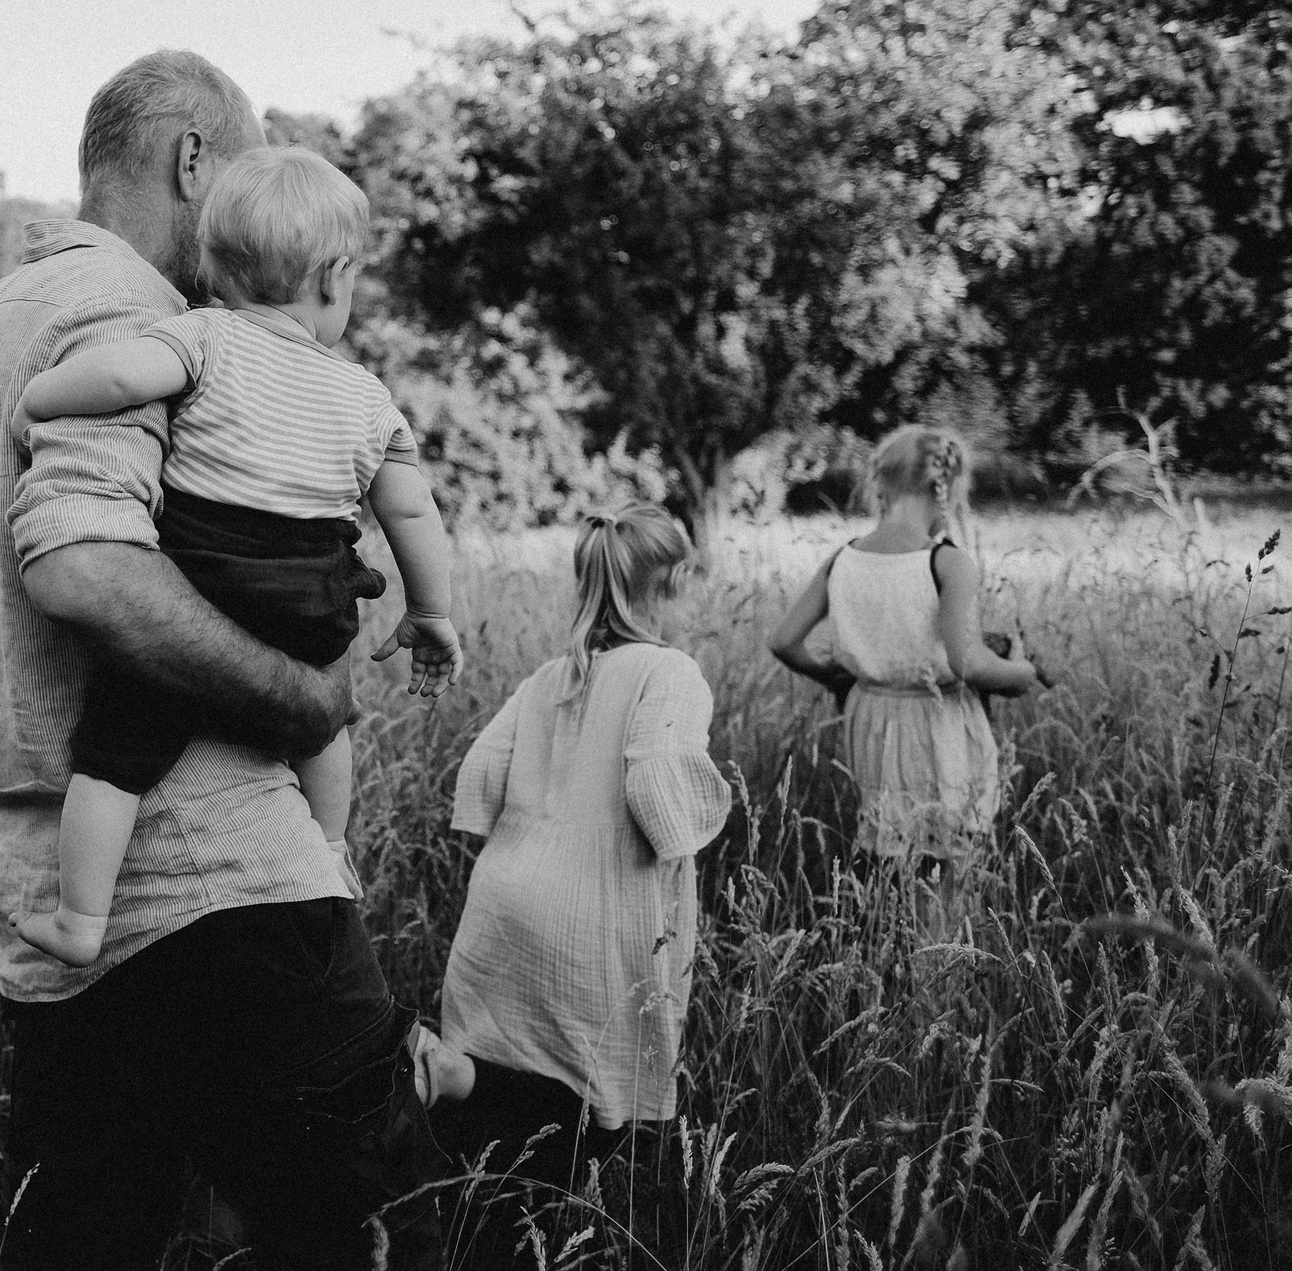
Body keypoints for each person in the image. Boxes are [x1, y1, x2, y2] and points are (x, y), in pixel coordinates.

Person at [0, 49, 444, 1270]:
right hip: (220, 883)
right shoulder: (139, 317)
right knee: (367, 1235)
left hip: (57, 899)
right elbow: (80, 565)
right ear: (193, 160)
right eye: (245, 173)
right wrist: (303, 695)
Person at [6, 143, 462, 967]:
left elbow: (118, 380)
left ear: (214, 267)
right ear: (335, 279)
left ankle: (79, 919)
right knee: (327, 724)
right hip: (311, 593)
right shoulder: (366, 396)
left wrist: (40, 392)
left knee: (113, 760)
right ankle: (330, 848)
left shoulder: (203, 336)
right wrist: (430, 612)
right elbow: (411, 509)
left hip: (206, 575)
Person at [412, 506, 730, 1258]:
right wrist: (705, 810)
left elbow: (479, 775)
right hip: (591, 914)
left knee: (507, 1074)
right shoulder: (670, 672)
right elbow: (657, 792)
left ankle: (459, 1097)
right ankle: (543, 1236)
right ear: (674, 582)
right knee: (596, 1100)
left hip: (503, 899)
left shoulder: (551, 677)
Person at [765, 424, 1046, 875]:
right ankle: (947, 921)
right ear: (947, 490)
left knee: (891, 854)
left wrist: (837, 677)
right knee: (953, 856)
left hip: (872, 719)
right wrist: (1022, 672)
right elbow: (968, 663)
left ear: (881, 484)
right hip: (939, 724)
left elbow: (783, 641)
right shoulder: (948, 562)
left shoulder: (843, 558)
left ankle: (891, 919)